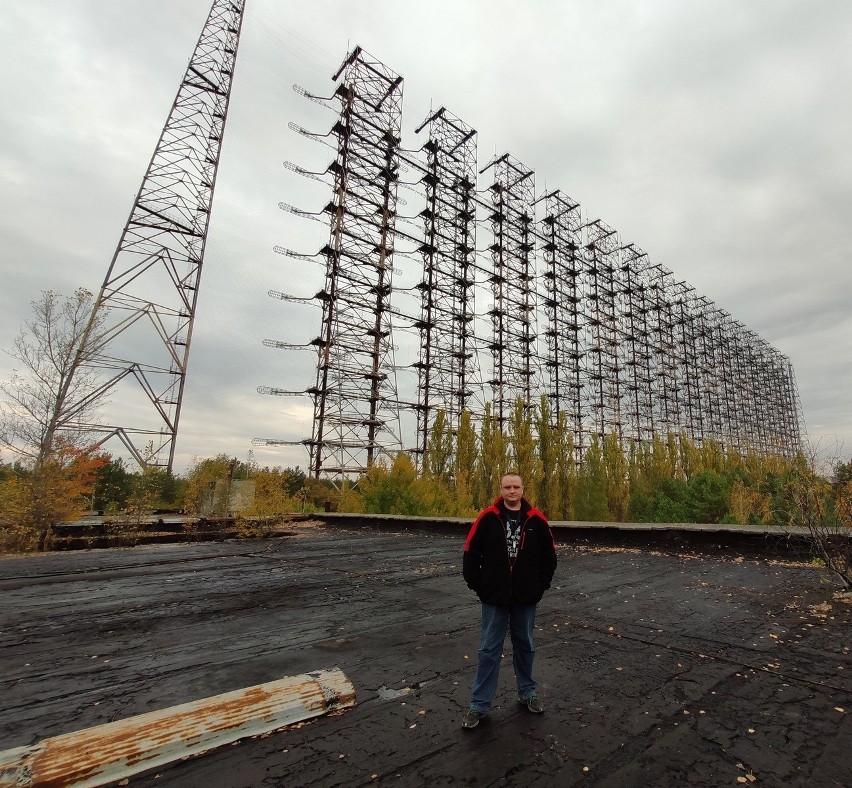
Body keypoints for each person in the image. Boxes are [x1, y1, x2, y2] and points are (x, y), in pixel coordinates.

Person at [461, 472, 557, 729]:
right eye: (507, 487)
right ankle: (478, 705)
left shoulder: (536, 519)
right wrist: (480, 587)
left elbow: (550, 557)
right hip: (494, 598)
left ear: (523, 489)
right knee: (489, 650)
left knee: (525, 645)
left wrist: (538, 588)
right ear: (501, 490)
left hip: (526, 598)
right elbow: (470, 553)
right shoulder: (487, 518)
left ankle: (528, 693)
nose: (512, 491)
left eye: (516, 487)